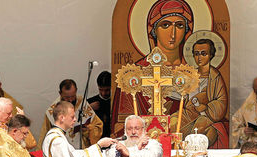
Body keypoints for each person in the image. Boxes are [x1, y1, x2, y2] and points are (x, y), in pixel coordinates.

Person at [111, 0, 194, 137]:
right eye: (165, 25)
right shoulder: (134, 75)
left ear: (187, 31)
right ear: (153, 31)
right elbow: (121, 125)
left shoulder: (191, 74)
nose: (173, 33)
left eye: (179, 25)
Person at [170, 38, 228, 148]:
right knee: (173, 123)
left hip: (206, 114)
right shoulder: (191, 74)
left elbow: (221, 101)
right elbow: (181, 94)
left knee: (198, 130)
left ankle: (190, 153)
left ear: (211, 55)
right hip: (189, 112)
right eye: (196, 54)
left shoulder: (215, 76)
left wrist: (205, 107)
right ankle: (175, 154)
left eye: (203, 53)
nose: (199, 57)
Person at [38, 79, 103, 149]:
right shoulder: (52, 110)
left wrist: (88, 130)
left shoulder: (82, 104)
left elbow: (98, 125)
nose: (70, 100)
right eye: (67, 97)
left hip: (81, 148)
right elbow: (45, 134)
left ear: (76, 91)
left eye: (73, 96)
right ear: (60, 93)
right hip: (62, 150)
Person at [87, 71, 111, 138]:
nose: (103, 93)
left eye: (107, 90)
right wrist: (89, 108)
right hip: (96, 141)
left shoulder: (116, 102)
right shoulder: (90, 102)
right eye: (101, 90)